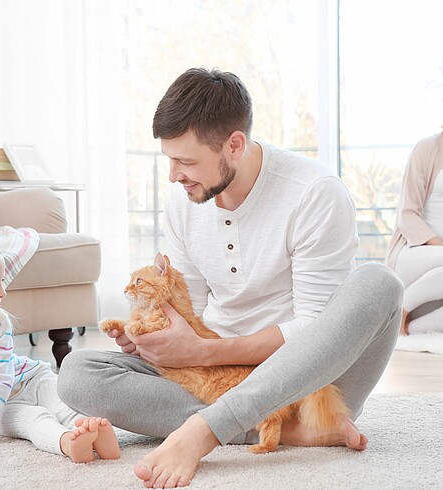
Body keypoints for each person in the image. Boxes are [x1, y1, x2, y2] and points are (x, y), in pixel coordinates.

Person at [57, 67, 404, 488]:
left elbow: (316, 329)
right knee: (77, 370)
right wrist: (157, 340)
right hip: (213, 379)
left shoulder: (314, 193)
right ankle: (273, 431)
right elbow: (194, 311)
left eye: (186, 161)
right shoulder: (183, 199)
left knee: (379, 283)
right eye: (170, 160)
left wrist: (200, 352)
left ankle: (205, 431)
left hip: (308, 387)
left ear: (234, 145)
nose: (174, 175)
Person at [0, 231, 120, 462]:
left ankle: (94, 432)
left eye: (1, 282)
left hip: (30, 378)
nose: (2, 292)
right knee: (33, 418)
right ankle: (68, 443)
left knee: (63, 404)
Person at [385, 131, 443, 335]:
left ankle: (408, 328)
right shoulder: (427, 149)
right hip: (413, 253)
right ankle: (402, 307)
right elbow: (407, 216)